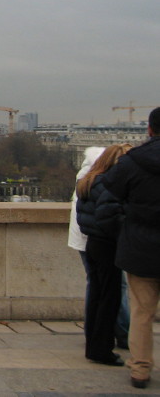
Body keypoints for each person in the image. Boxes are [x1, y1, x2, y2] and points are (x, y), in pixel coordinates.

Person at [101, 106, 160, 390]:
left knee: (141, 312)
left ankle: (139, 368)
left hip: (142, 246)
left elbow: (111, 187)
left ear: (149, 129)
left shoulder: (135, 160)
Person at [75, 144, 131, 365]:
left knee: (97, 295)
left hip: (92, 243)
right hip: (107, 245)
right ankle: (102, 348)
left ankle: (94, 342)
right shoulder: (109, 185)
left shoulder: (89, 181)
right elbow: (110, 217)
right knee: (110, 298)